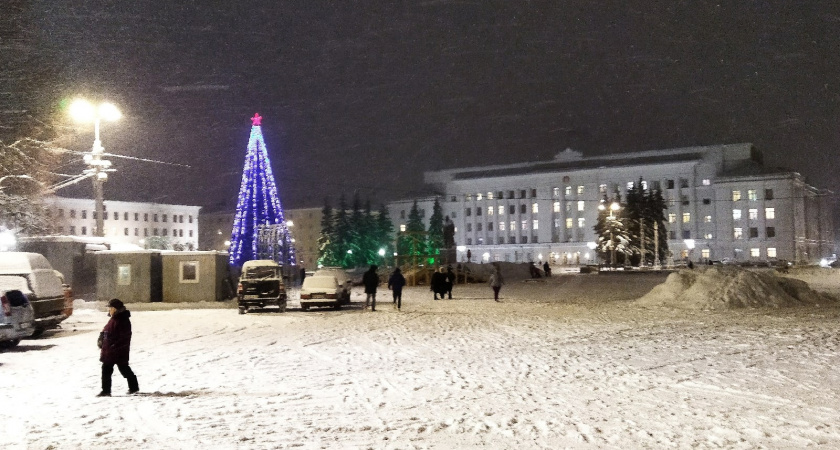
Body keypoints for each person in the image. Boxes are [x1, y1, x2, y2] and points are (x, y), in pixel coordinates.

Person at [98, 298, 139, 397]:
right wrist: (101, 337)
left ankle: (107, 391)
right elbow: (106, 330)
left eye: (110, 308)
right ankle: (107, 390)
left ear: (115, 308)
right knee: (110, 369)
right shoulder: (114, 318)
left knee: (122, 369)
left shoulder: (122, 320)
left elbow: (124, 337)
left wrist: (114, 346)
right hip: (110, 350)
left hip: (117, 350)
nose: (109, 310)